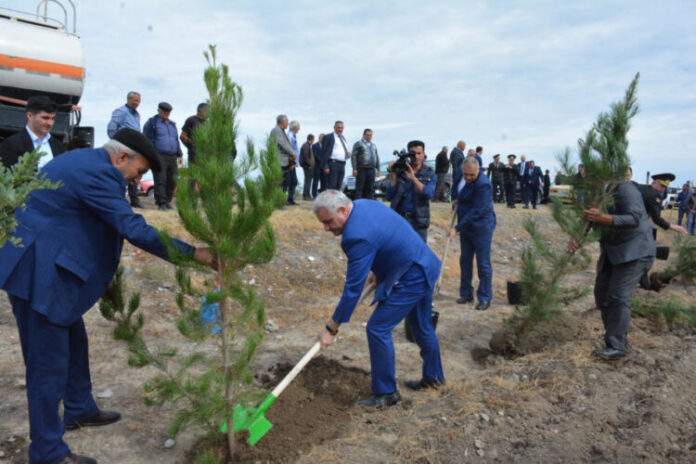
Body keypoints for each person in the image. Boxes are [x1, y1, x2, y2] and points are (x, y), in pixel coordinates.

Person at [0, 128, 215, 464]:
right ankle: (47, 452)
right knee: (46, 366)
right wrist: (194, 254)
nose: (136, 178)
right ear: (121, 157)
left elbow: (86, 226)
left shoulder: (87, 163)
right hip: (39, 273)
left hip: (49, 263)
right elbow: (132, 228)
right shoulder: (99, 173)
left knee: (74, 341)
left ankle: (79, 408)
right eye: (140, 171)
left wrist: (103, 279)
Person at [314, 190, 445, 408]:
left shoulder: (355, 236)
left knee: (377, 328)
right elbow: (387, 235)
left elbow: (353, 289)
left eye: (328, 222)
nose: (326, 228)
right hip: (424, 263)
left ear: (343, 210)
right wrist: (380, 269)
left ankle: (386, 393)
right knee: (422, 326)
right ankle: (434, 378)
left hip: (412, 275)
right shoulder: (363, 204)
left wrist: (331, 328)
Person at [569, 179, 654, 360]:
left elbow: (634, 217)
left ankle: (617, 346)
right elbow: (588, 219)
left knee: (618, 295)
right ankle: (614, 336)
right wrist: (576, 237)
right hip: (613, 251)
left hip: (635, 250)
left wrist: (605, 219)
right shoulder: (595, 195)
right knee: (601, 294)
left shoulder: (624, 188)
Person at [450, 158, 496, 310]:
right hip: (466, 226)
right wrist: (457, 200)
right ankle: (466, 293)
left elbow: (477, 211)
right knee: (465, 260)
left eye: (472, 175)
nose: (468, 178)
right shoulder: (462, 177)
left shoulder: (483, 184)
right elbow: (460, 193)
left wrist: (457, 228)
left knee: (483, 263)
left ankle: (484, 297)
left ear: (478, 170)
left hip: (481, 227)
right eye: (466, 175)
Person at [385, 140, 437, 242]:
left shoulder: (429, 174)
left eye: (419, 153)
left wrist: (413, 178)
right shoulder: (400, 171)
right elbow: (389, 196)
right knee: (399, 253)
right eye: (413, 154)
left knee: (419, 254)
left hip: (419, 221)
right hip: (400, 219)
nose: (416, 157)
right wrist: (393, 175)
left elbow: (429, 194)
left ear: (424, 154)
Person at [1, 96, 66, 168]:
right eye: (45, 118)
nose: (50, 123)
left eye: (53, 118)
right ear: (29, 115)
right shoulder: (12, 144)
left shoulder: (58, 146)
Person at [143, 102, 183, 211]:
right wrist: (150, 154)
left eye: (168, 112)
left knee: (173, 179)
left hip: (172, 156)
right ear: (159, 111)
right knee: (161, 179)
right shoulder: (152, 123)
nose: (167, 114)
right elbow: (146, 139)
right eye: (164, 112)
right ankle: (161, 203)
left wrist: (180, 154)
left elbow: (175, 139)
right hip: (159, 155)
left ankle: (167, 201)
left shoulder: (172, 124)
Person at [269, 114, 297, 206]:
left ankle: (280, 201)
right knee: (279, 183)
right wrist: (292, 153)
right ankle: (277, 203)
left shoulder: (281, 130)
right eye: (287, 122)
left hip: (284, 161)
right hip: (279, 161)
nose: (288, 124)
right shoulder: (276, 130)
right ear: (282, 122)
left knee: (284, 183)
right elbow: (282, 144)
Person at [320, 120, 351, 190]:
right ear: (334, 128)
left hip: (342, 164)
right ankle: (330, 200)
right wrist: (325, 166)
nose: (340, 129)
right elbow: (323, 152)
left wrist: (347, 154)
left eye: (341, 128)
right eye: (338, 127)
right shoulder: (329, 137)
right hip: (333, 164)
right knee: (332, 185)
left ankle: (336, 201)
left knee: (339, 185)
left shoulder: (343, 138)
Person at [351, 128, 380, 199]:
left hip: (371, 169)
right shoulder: (358, 144)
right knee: (360, 188)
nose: (369, 137)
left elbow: (376, 156)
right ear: (363, 135)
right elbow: (353, 156)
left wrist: (378, 169)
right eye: (367, 135)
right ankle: (359, 205)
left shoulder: (373, 145)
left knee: (370, 188)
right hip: (361, 168)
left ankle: (369, 205)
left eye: (370, 135)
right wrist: (354, 168)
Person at [285, 120, 301, 205]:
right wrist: (291, 163)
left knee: (293, 181)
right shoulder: (290, 136)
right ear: (294, 128)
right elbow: (289, 150)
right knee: (289, 182)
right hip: (290, 163)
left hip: (293, 163)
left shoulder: (293, 135)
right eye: (298, 127)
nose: (299, 129)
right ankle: (287, 200)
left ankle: (290, 199)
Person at [300, 133, 315, 201]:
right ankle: (306, 196)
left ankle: (308, 194)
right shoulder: (306, 146)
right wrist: (309, 165)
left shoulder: (307, 145)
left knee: (308, 181)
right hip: (307, 167)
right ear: (311, 139)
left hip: (308, 166)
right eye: (313, 140)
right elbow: (306, 157)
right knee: (307, 181)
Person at [311, 133, 325, 197]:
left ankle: (322, 195)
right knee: (315, 181)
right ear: (319, 138)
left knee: (323, 181)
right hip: (317, 167)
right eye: (322, 138)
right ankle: (314, 194)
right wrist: (323, 161)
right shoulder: (314, 146)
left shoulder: (326, 146)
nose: (323, 139)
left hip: (324, 167)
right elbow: (316, 156)